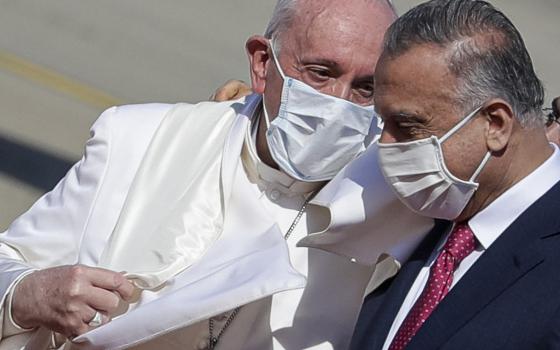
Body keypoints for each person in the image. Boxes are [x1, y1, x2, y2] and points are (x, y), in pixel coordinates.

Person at [0, 1, 434, 349]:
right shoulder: (137, 139)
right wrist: (27, 294)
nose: (339, 103)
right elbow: (9, 259)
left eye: (365, 88)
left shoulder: (399, 209)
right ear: (263, 64)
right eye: (321, 73)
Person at [351, 1, 560, 349]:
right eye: (383, 123)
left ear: (496, 124)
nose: (385, 144)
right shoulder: (433, 207)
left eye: (407, 126)